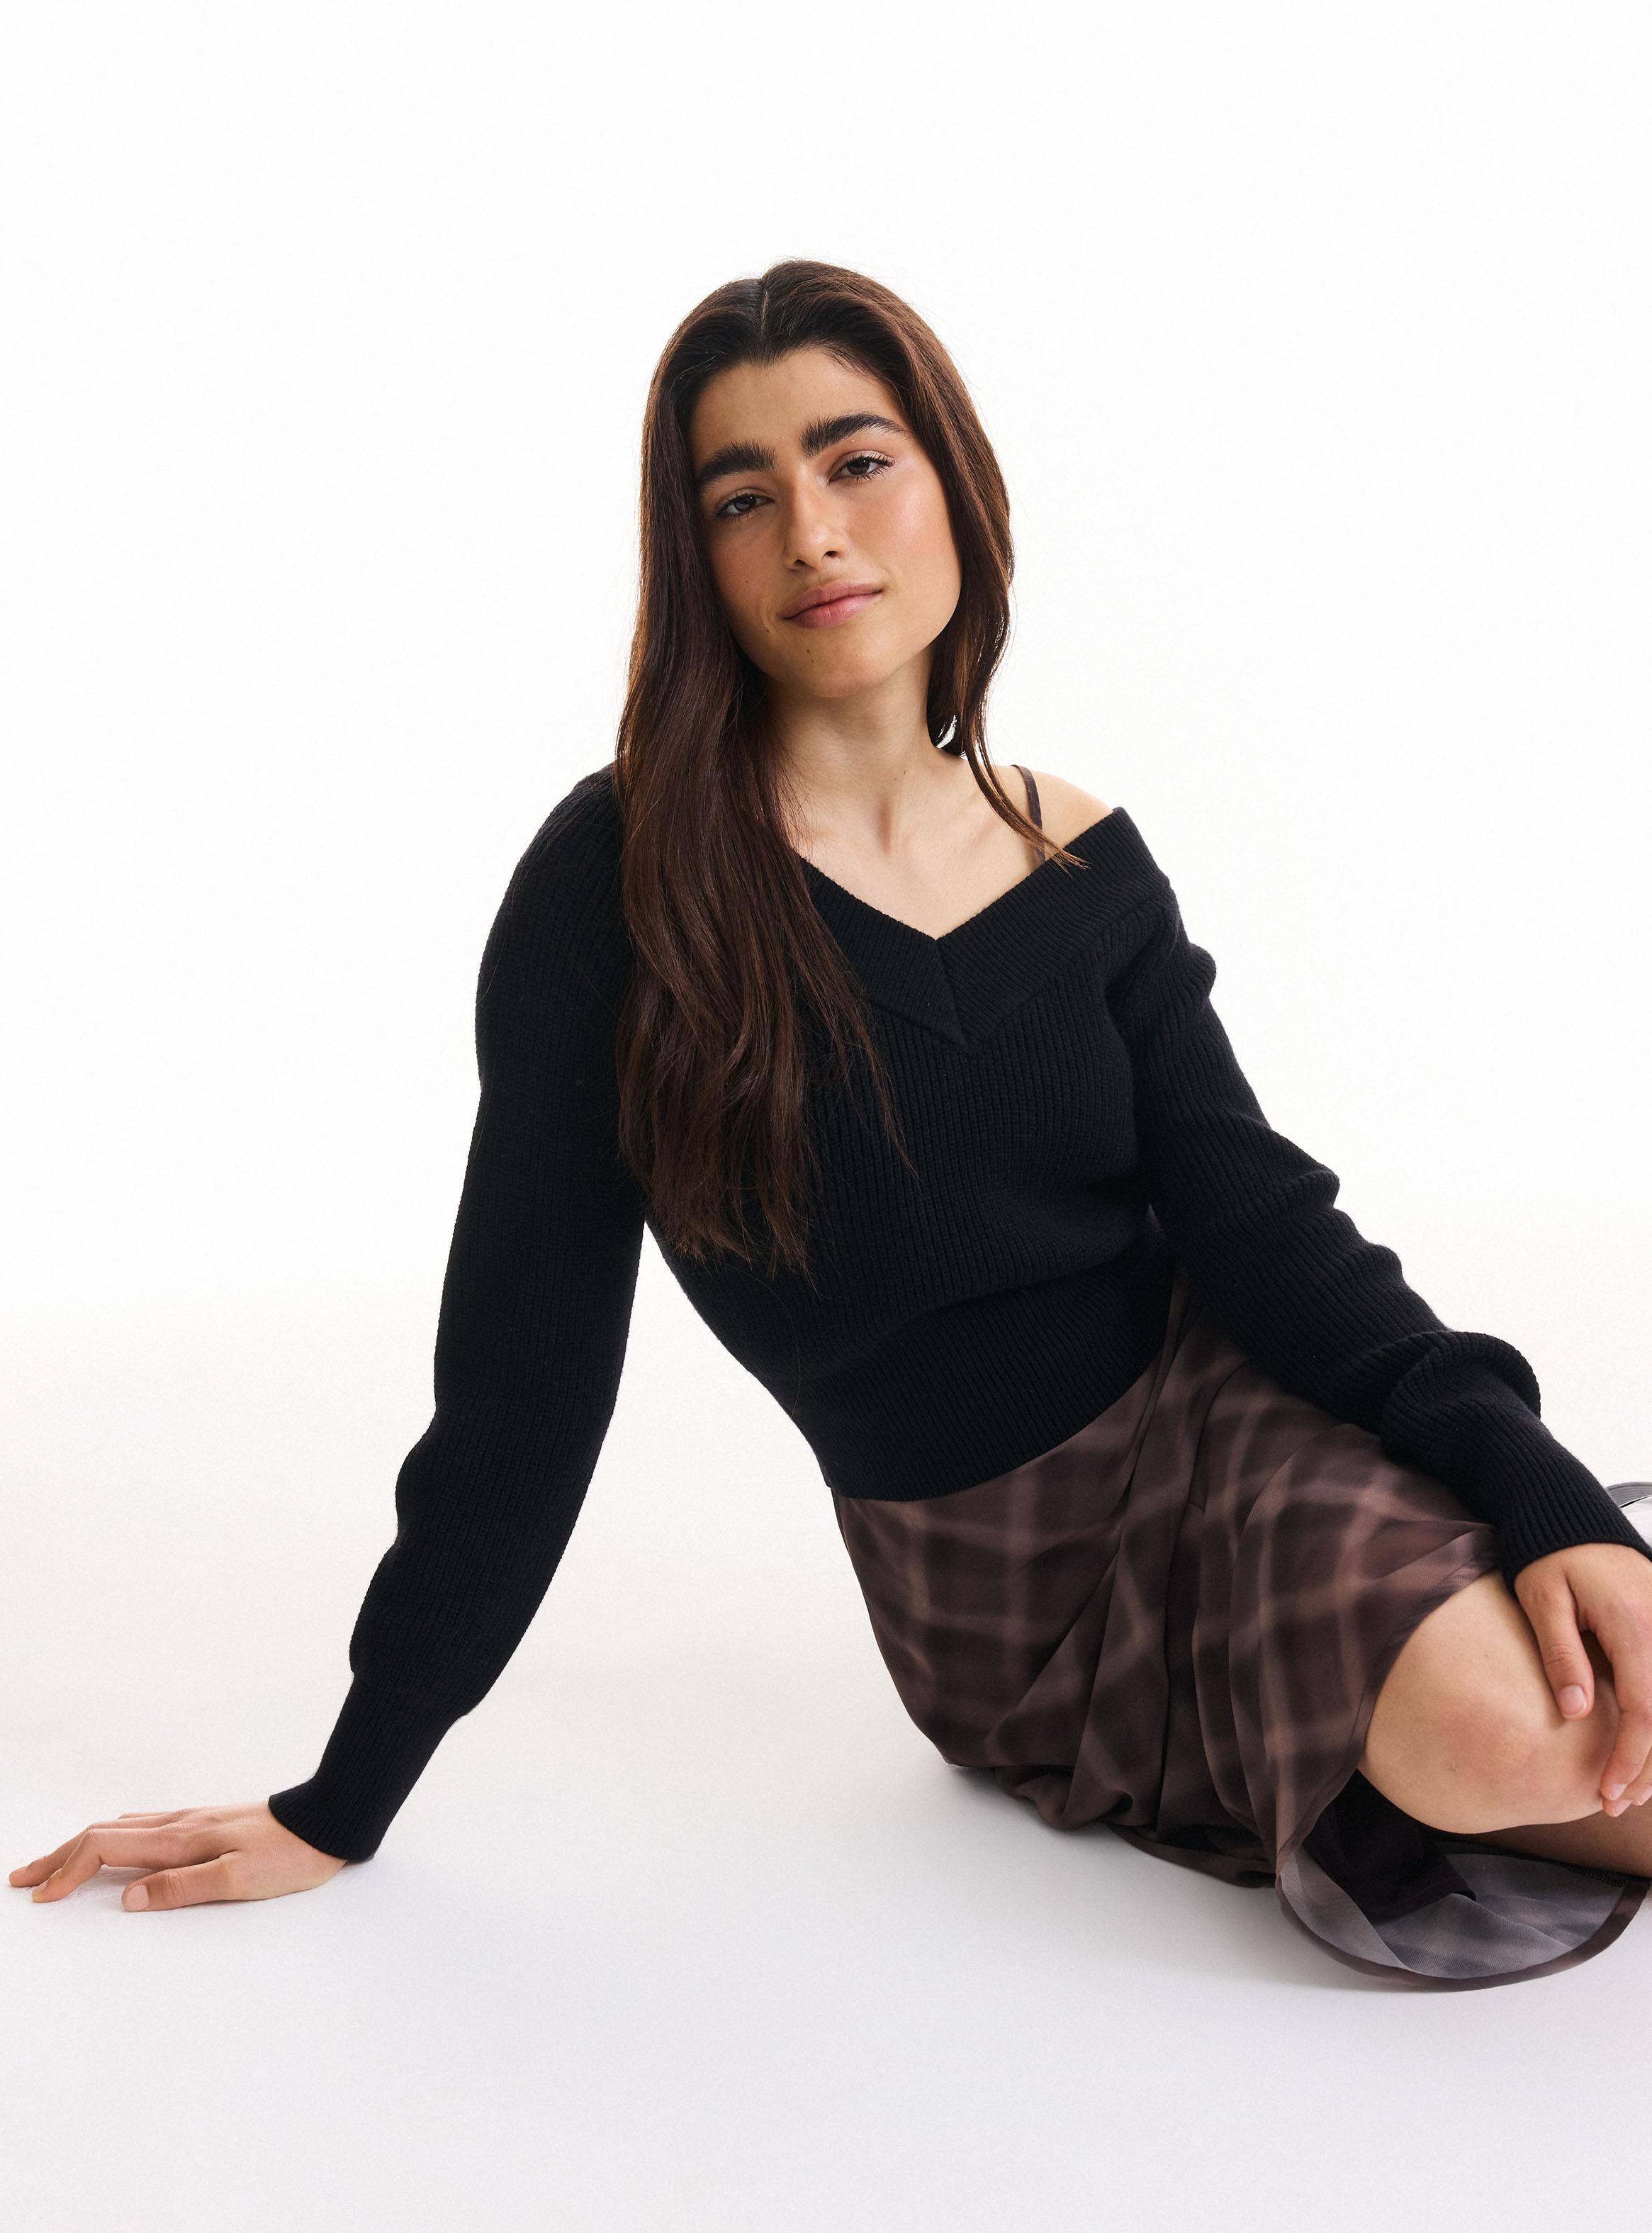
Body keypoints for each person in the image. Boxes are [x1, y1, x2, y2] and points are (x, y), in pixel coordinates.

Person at [16, 259, 1652, 1988]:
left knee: (1581, 1676)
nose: (810, 531)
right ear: (697, 559)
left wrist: (1540, 1496)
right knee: (1512, 1734)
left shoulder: (1078, 859)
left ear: (951, 487)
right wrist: (344, 1797)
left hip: (1241, 1426)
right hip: (1000, 1593)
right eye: (742, 496)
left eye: (856, 461)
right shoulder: (618, 887)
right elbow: (519, 1387)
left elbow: (1264, 1228)